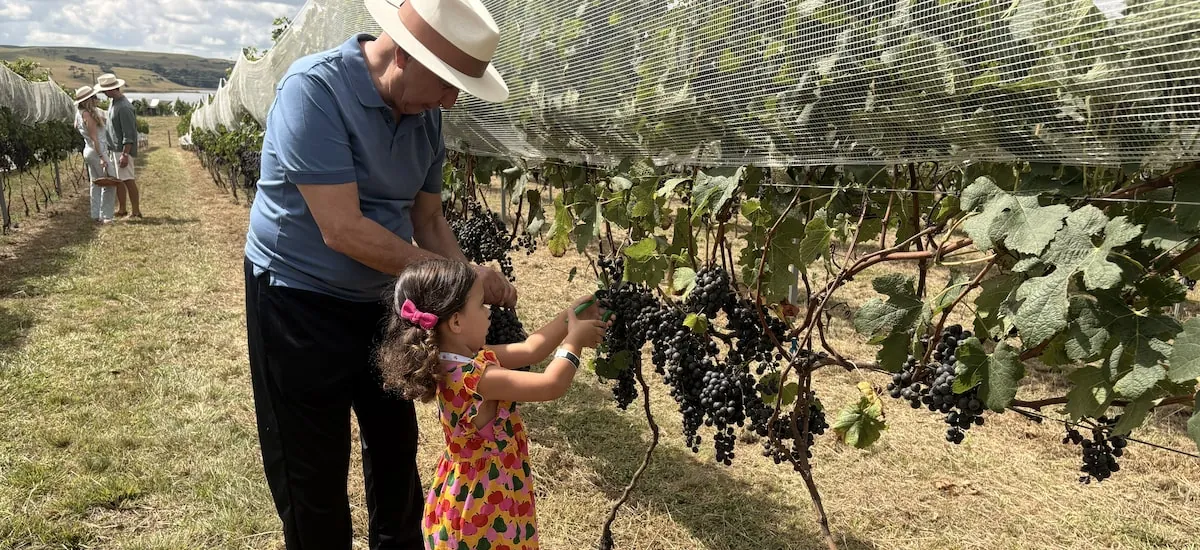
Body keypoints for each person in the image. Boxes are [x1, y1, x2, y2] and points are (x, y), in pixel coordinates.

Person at [242, 0, 516, 548]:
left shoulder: (426, 114)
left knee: (395, 449)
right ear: (404, 58)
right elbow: (342, 230)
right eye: (447, 84)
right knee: (312, 467)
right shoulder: (314, 91)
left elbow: (429, 219)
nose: (452, 99)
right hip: (296, 300)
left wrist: (467, 279)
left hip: (386, 303)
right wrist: (458, 278)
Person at [375, 259, 609, 550]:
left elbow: (530, 350)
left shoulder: (451, 360)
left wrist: (569, 316)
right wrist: (573, 342)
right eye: (481, 305)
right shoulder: (475, 377)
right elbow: (552, 385)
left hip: (469, 492)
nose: (489, 312)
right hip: (485, 504)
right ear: (457, 322)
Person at [94, 73, 141, 218]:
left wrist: (125, 154)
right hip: (115, 148)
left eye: (104, 90)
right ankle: (122, 209)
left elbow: (129, 133)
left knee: (128, 180)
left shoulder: (124, 107)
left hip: (122, 150)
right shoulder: (114, 102)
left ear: (112, 89)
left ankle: (136, 211)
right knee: (120, 180)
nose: (103, 93)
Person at [72, 85, 120, 223]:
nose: (96, 99)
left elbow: (77, 126)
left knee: (96, 183)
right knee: (110, 182)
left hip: (88, 150)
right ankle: (106, 216)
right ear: (89, 100)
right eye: (94, 97)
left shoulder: (80, 113)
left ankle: (95, 214)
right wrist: (102, 157)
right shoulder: (88, 115)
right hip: (97, 151)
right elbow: (94, 139)